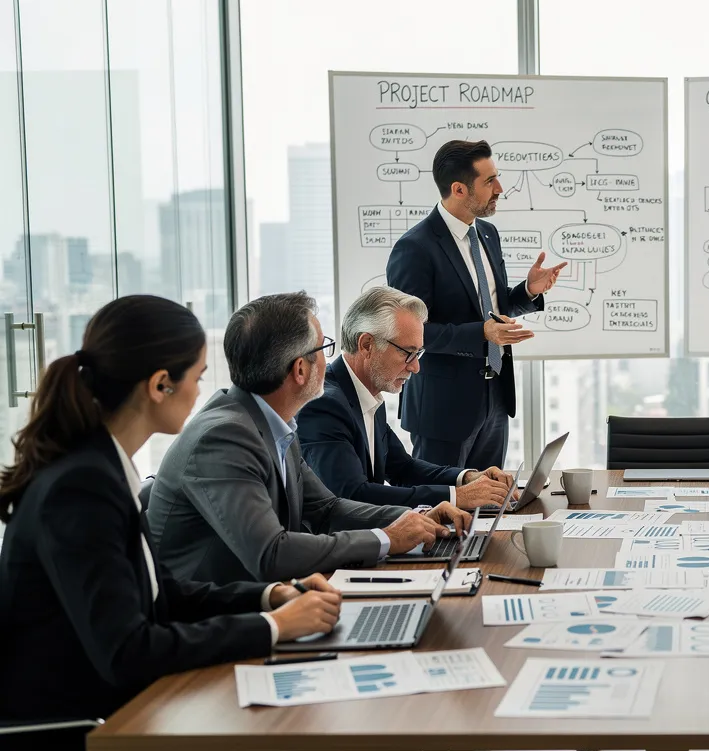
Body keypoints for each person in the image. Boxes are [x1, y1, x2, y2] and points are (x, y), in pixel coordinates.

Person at [0, 296, 342, 729]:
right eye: (197, 377)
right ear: (161, 384)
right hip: (81, 725)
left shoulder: (103, 467)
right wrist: (272, 626)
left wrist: (269, 596)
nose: (202, 392)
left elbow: (165, 594)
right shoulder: (81, 487)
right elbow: (128, 650)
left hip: (123, 707)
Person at [147, 292, 473, 586]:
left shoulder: (273, 423)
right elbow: (271, 553)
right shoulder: (223, 437)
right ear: (300, 369)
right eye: (323, 348)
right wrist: (386, 538)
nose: (329, 360)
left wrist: (414, 517)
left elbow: (326, 508)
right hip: (215, 622)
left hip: (265, 600)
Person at [386, 139, 567, 469]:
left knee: (485, 508)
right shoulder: (415, 248)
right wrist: (482, 334)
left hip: (495, 400)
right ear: (458, 189)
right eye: (489, 181)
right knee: (441, 510)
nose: (500, 188)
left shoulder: (487, 233)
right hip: (443, 410)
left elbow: (492, 310)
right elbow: (409, 334)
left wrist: (527, 291)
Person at [297, 286, 515, 510]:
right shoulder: (325, 405)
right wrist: (457, 497)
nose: (416, 367)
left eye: (419, 353)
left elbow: (403, 469)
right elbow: (352, 496)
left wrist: (467, 478)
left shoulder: (367, 391)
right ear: (366, 345)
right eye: (407, 352)